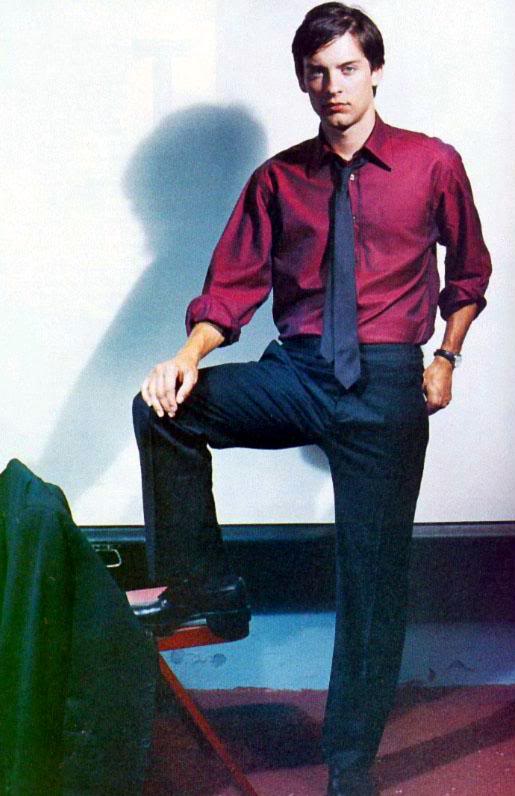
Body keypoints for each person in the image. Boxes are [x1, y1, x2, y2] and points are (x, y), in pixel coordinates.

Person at [132, 3, 491, 793]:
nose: (334, 86)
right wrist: (185, 357)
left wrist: (446, 357)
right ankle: (203, 589)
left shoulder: (431, 164)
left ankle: (348, 764)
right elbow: (230, 289)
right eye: (318, 73)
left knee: (372, 581)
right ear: (302, 80)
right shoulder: (278, 179)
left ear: (376, 71)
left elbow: (469, 273)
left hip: (387, 382)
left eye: (348, 69)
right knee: (162, 407)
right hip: (298, 371)